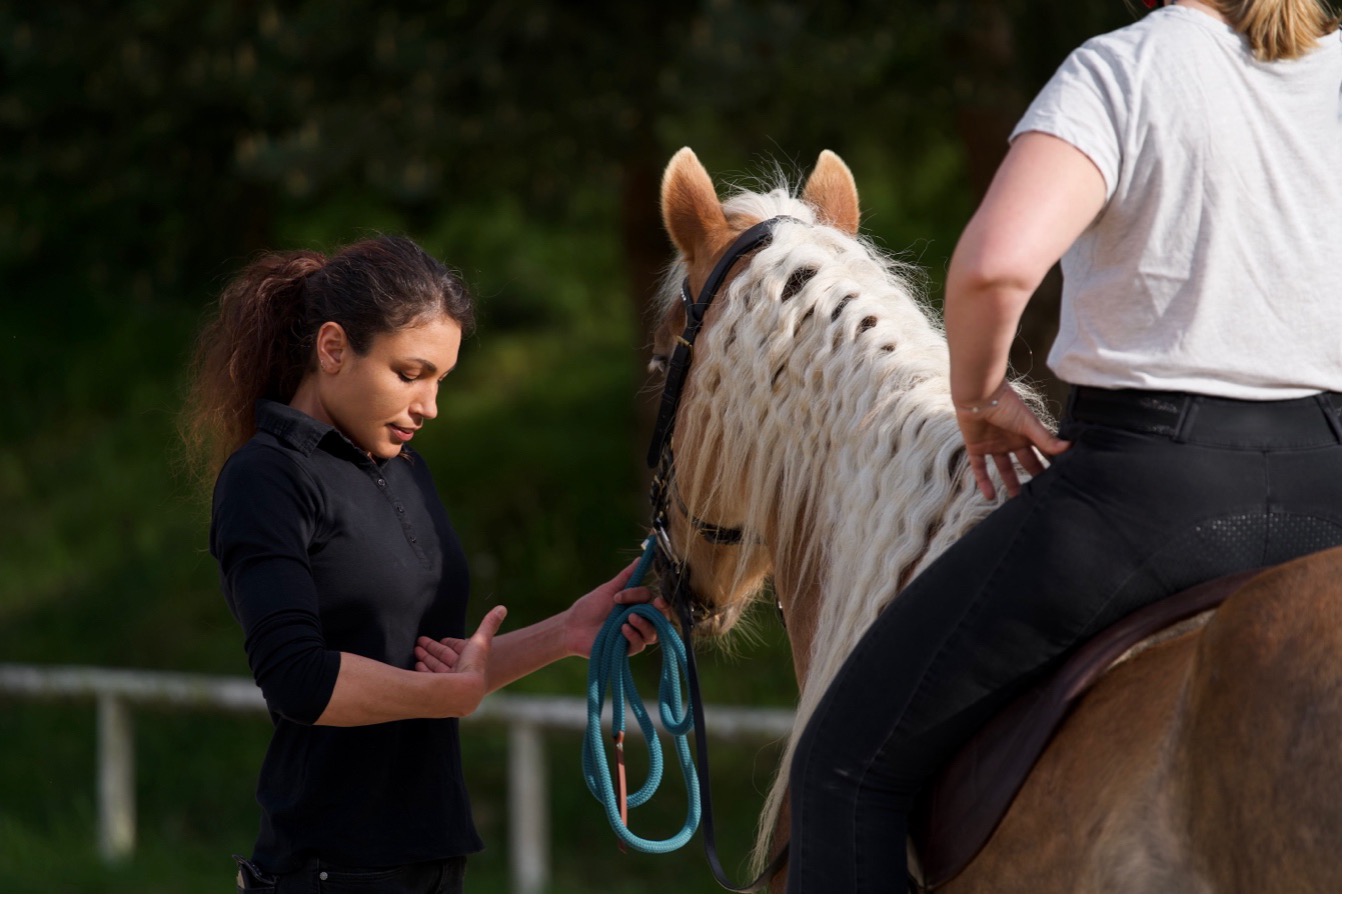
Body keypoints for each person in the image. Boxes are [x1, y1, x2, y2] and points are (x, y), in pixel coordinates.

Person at [786, 0, 1341, 890]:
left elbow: (994, 267)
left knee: (843, 769)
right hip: (1329, 486)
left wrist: (975, 392)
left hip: (1153, 491)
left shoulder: (1125, 66)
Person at [184, 234, 664, 893]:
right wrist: (441, 695)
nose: (429, 406)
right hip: (330, 868)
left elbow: (432, 670)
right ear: (331, 349)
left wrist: (567, 633)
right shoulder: (266, 477)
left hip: (431, 860)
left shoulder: (405, 470)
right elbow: (297, 678)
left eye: (440, 380)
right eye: (409, 374)